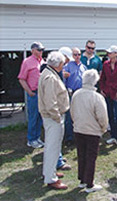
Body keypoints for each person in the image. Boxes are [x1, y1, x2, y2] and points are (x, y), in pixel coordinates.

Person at [70, 69, 108, 193]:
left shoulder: (76, 94)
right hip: (92, 131)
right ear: (95, 81)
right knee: (91, 157)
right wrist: (103, 128)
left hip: (79, 129)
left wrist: (75, 123)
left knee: (81, 154)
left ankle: (82, 179)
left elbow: (72, 111)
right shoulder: (97, 97)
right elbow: (102, 116)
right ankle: (89, 184)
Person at [38, 51, 69, 190]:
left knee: (54, 146)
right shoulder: (50, 77)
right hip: (53, 118)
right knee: (52, 146)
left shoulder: (48, 73)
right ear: (58, 64)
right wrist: (57, 117)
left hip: (52, 117)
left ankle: (50, 172)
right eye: (63, 63)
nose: (63, 65)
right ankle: (51, 179)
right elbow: (50, 102)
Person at [99, 45, 117, 148]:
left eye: (110, 52)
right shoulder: (105, 64)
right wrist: (102, 89)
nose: (108, 54)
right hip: (108, 93)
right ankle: (113, 136)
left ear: (116, 54)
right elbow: (102, 78)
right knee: (110, 114)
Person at [18, 42, 45, 149]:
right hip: (34, 92)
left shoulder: (42, 61)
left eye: (42, 50)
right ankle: (31, 139)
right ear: (32, 50)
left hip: (41, 92)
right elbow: (21, 78)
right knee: (33, 116)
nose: (41, 52)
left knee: (40, 116)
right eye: (39, 50)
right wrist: (29, 92)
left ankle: (37, 137)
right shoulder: (27, 62)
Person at [63, 47, 87, 145]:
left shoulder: (84, 67)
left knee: (81, 115)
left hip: (81, 94)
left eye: (79, 54)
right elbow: (63, 80)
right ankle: (69, 138)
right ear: (72, 56)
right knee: (69, 116)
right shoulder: (67, 66)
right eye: (75, 55)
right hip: (71, 93)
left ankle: (80, 136)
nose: (77, 56)